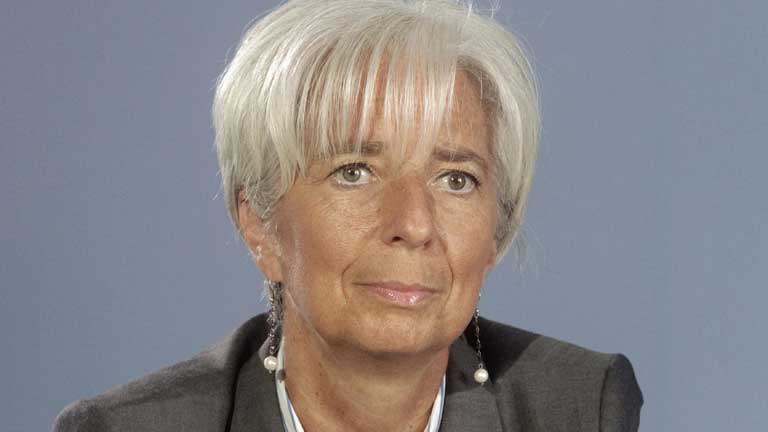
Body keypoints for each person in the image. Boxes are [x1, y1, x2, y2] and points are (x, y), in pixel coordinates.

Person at [53, 0, 643, 430]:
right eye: (354, 171)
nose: (414, 224)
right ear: (260, 224)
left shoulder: (578, 407)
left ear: (496, 233)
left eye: (456, 179)